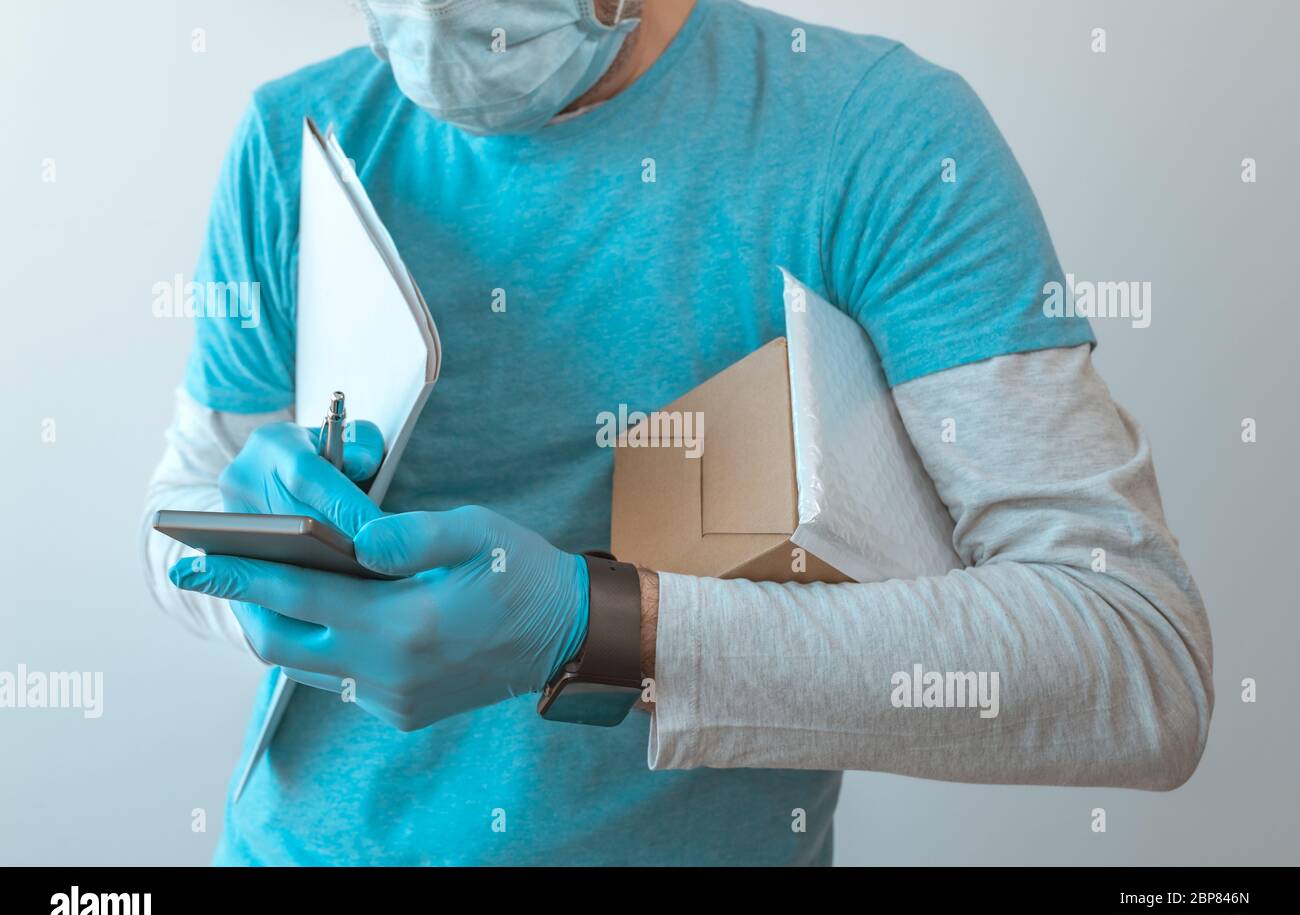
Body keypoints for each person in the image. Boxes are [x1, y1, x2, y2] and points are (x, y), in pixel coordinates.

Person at [141, 0, 1212, 866]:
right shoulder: (298, 135)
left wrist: (602, 630)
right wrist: (247, 580)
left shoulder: (877, 137)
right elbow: (182, 502)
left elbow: (1132, 656)